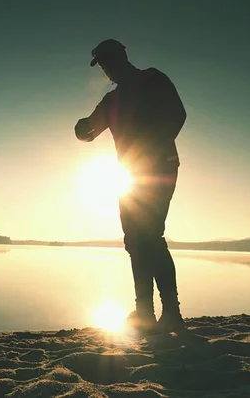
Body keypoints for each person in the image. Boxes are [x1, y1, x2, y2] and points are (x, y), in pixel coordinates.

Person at [75, 39, 187, 335]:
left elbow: (178, 115)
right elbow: (90, 130)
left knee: (150, 235)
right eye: (102, 65)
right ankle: (144, 313)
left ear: (122, 57)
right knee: (134, 240)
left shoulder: (153, 79)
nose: (106, 69)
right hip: (128, 175)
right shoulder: (112, 101)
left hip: (159, 169)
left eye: (108, 61)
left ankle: (171, 312)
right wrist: (81, 129)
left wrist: (151, 149)